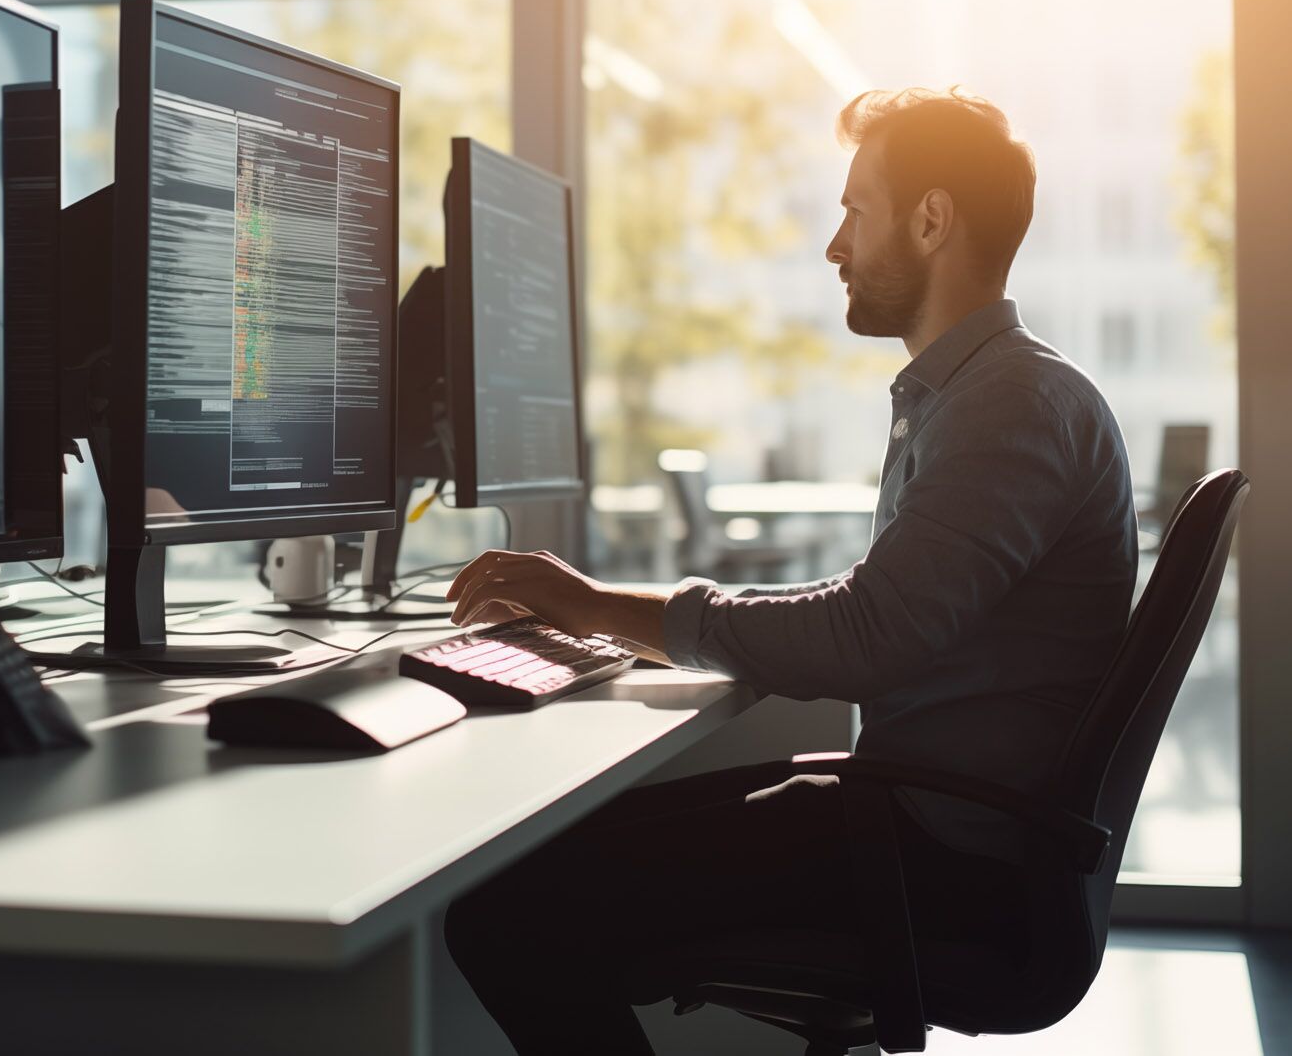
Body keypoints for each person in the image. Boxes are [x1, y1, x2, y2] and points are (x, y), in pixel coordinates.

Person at [442, 88, 1137, 1054]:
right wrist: (621, 618)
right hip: (932, 828)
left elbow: (864, 636)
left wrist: (596, 605)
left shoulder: (1009, 405)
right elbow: (875, 608)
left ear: (931, 220)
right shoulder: (984, 393)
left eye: (856, 209)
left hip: (943, 864)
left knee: (504, 908)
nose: (835, 244)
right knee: (535, 856)